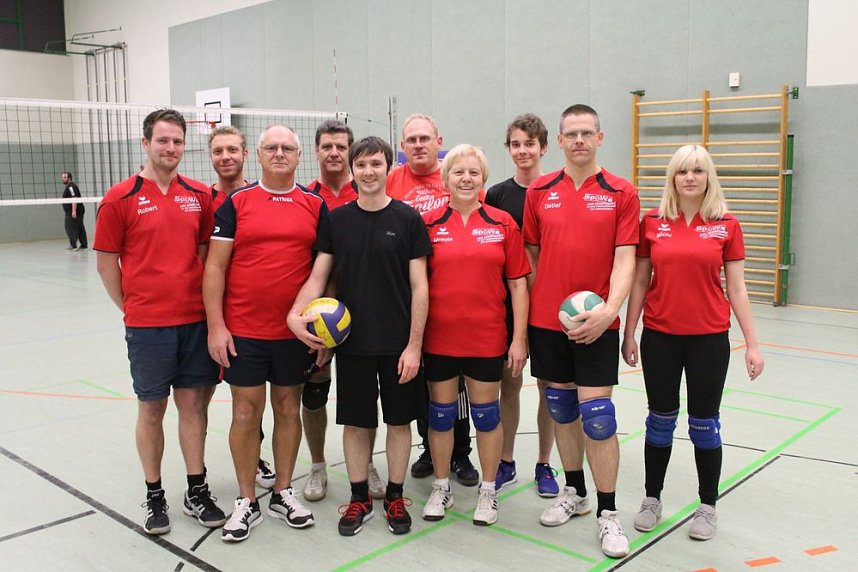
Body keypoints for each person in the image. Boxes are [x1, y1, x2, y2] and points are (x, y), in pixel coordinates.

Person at [288, 136, 430, 537]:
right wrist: (296, 315)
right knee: (355, 423)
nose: (369, 172)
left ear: (389, 168)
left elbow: (420, 287)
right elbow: (319, 276)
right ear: (353, 170)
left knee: (399, 422)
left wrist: (415, 345)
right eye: (362, 165)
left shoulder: (407, 219)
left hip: (399, 344)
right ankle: (359, 498)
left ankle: (397, 495)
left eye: (376, 164)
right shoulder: (337, 220)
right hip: (351, 345)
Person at [622, 144, 764, 541]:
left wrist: (752, 344)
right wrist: (629, 330)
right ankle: (652, 498)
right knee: (660, 421)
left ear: (708, 177)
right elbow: (639, 280)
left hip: (709, 340)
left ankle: (707, 506)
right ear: (672, 177)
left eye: (698, 171)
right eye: (682, 171)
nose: (689, 177)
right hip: (661, 338)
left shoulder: (726, 224)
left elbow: (737, 288)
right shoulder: (652, 222)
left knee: (704, 425)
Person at [94, 109, 225, 535]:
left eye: (178, 141)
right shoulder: (120, 197)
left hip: (194, 323)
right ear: (145, 143)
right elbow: (106, 265)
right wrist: (132, 308)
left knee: (193, 408)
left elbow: (206, 256)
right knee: (151, 409)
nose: (170, 149)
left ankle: (196, 489)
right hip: (148, 327)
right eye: (163, 141)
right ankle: (155, 495)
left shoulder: (199, 195)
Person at [523, 104, 639, 558]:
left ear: (600, 137)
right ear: (561, 140)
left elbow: (627, 258)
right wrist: (541, 307)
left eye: (586, 133)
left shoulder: (620, 192)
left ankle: (608, 513)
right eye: (570, 134)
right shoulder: (540, 190)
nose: (578, 141)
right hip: (548, 324)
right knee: (561, 407)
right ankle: (574, 491)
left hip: (598, 322)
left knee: (598, 416)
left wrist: (609, 311)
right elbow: (530, 257)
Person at [204, 125, 323, 542]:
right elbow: (215, 267)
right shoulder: (237, 202)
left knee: (289, 409)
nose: (278, 153)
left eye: (287, 147)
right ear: (258, 155)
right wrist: (217, 326)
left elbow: (325, 271)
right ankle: (245, 499)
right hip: (244, 330)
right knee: (244, 412)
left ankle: (283, 491)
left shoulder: (314, 204)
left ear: (297, 155)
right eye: (271, 147)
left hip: (295, 332)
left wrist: (323, 333)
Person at [421, 144, 530, 526]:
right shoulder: (429, 224)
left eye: (473, 173)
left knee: (486, 417)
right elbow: (417, 286)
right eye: (458, 172)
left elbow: (518, 286)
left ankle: (487, 491)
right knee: (440, 416)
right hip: (439, 339)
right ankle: (440, 486)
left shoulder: (502, 223)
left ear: (483, 179)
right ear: (445, 178)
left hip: (486, 337)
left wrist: (519, 339)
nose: (466, 179)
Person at [387, 113, 478, 487]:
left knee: (454, 385)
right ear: (403, 147)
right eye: (412, 140)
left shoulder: (456, 174)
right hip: (408, 297)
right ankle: (430, 446)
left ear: (439, 140)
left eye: (425, 138)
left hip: (452, 297)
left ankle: (460, 453)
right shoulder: (393, 179)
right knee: (423, 380)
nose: (419, 145)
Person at [300, 119, 385, 503]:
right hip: (320, 317)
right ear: (316, 151)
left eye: (340, 146)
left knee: (365, 399)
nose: (333, 152)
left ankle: (365, 464)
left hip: (365, 316)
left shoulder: (370, 190)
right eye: (327, 146)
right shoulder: (306, 198)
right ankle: (318, 466)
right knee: (314, 394)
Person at [485, 113, 559, 497]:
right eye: (516, 144)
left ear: (543, 147)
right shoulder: (497, 195)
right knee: (508, 387)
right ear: (509, 149)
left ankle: (545, 464)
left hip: (549, 306)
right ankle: (506, 461)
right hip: (508, 306)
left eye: (530, 143)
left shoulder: (557, 192)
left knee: (550, 388)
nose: (523, 150)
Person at [206, 125, 277, 491]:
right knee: (203, 399)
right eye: (218, 151)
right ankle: (197, 476)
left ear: (246, 154)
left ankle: (258, 457)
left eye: (232, 149)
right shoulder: (203, 201)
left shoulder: (258, 196)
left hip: (255, 320)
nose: (226, 157)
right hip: (213, 317)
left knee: (253, 400)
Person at [61, 171, 87, 250]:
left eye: (64, 177)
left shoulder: (71, 187)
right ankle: (83, 244)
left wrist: (73, 211)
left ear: (69, 178)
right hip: (78, 210)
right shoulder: (70, 186)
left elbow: (74, 197)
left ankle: (73, 245)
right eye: (62, 177)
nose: (63, 179)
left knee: (69, 226)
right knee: (80, 227)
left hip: (74, 210)